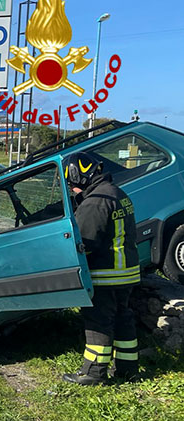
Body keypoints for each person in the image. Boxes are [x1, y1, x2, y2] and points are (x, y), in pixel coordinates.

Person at [62, 152, 141, 386]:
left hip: (106, 274)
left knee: (99, 321)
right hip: (127, 272)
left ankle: (93, 373)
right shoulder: (118, 193)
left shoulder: (95, 201)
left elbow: (85, 242)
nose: (73, 189)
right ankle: (128, 369)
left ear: (79, 177)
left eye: (72, 184)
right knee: (123, 319)